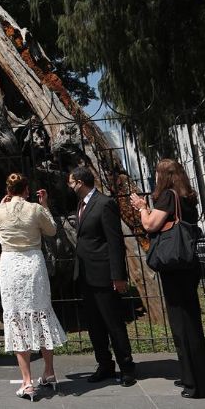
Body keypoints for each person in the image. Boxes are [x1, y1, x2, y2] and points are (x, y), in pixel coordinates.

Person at [130, 158, 205, 399]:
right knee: (190, 321)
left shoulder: (168, 196)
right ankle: (196, 378)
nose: (156, 178)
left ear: (164, 176)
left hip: (174, 266)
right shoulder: (188, 196)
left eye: (157, 174)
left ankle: (196, 385)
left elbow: (150, 224)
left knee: (182, 324)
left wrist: (141, 206)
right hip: (188, 263)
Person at [0, 173, 68, 401]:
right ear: (26, 190)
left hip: (11, 265)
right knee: (41, 312)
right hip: (33, 263)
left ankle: (26, 382)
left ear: (8, 190)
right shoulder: (35, 208)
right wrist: (45, 205)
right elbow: (51, 230)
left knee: (16, 317)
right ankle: (49, 372)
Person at [69, 165, 137, 387]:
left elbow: (115, 242)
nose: (69, 186)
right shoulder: (81, 204)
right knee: (95, 324)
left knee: (113, 322)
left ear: (80, 182)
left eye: (71, 182)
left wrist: (118, 275)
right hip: (86, 275)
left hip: (104, 274)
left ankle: (126, 367)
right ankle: (104, 365)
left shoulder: (104, 203)